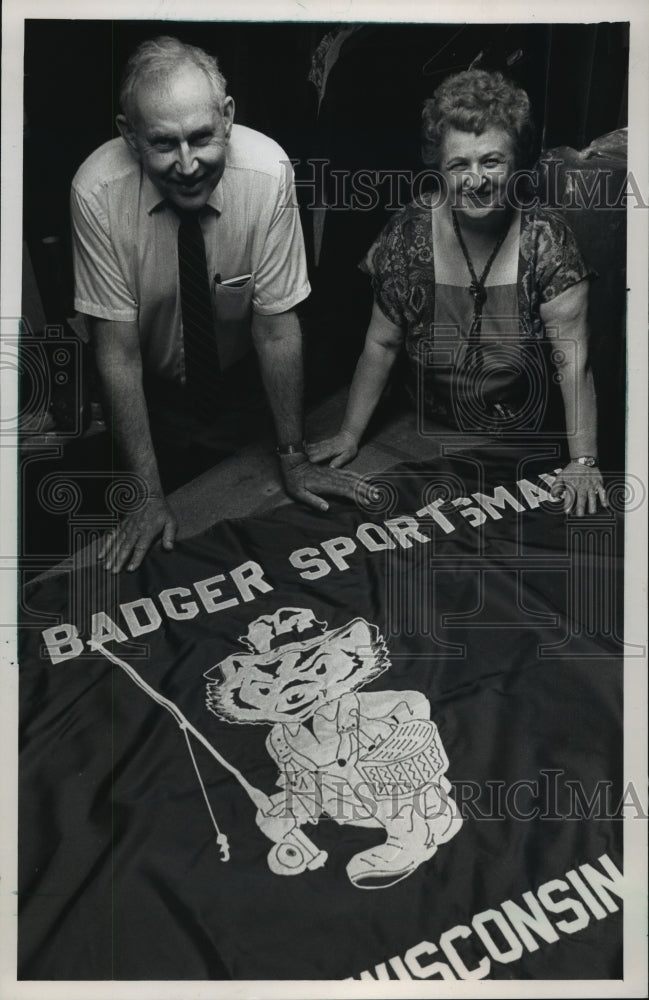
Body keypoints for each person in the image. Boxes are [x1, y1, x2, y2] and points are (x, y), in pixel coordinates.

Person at [71, 36, 368, 574]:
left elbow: (276, 330)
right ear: (129, 135)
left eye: (201, 137)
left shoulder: (269, 172)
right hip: (150, 399)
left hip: (243, 387)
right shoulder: (96, 192)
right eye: (164, 144)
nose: (187, 165)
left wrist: (294, 457)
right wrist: (146, 494)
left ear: (227, 118)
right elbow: (118, 355)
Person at [309, 69, 608, 517]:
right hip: (424, 426)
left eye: (492, 161)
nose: (476, 179)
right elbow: (381, 344)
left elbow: (574, 362)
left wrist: (583, 460)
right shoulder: (407, 235)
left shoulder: (548, 241)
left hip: (522, 435)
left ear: (517, 161)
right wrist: (349, 434)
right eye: (459, 165)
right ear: (438, 167)